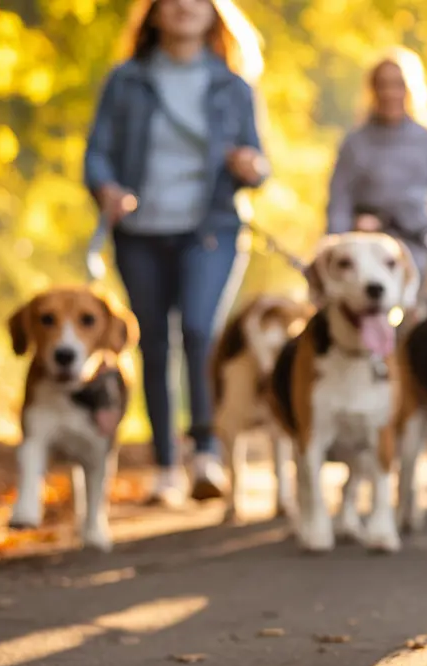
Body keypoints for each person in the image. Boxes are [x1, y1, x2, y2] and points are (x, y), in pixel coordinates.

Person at [84, 0, 267, 505]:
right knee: (153, 344)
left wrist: (249, 166)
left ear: (214, 12)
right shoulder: (126, 80)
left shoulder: (233, 85)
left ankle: (206, 453)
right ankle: (166, 466)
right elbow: (97, 152)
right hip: (139, 231)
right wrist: (107, 189)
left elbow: (260, 162)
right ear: (154, 13)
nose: (184, 5)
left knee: (200, 331)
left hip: (210, 229)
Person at [326, 47, 427, 296]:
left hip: (415, 248)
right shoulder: (355, 143)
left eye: (397, 85)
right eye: (383, 85)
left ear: (410, 88)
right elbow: (338, 203)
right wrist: (342, 243)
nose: (390, 93)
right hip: (366, 248)